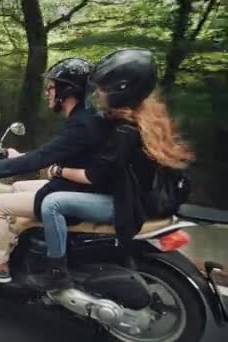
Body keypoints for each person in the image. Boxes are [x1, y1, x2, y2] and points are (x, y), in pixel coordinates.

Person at [25, 48, 195, 291]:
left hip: (127, 205)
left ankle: (56, 271)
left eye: (104, 88)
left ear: (121, 91)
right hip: (137, 197)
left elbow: (93, 176)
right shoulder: (146, 119)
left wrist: (58, 170)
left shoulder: (125, 132)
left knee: (53, 203)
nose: (98, 93)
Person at [0, 57, 109, 283]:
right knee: (17, 187)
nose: (47, 93)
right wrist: (20, 157)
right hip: (78, 187)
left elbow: (42, 158)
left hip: (77, 194)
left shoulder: (81, 124)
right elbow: (51, 153)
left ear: (66, 90)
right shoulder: (84, 117)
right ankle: (15, 245)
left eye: (51, 87)